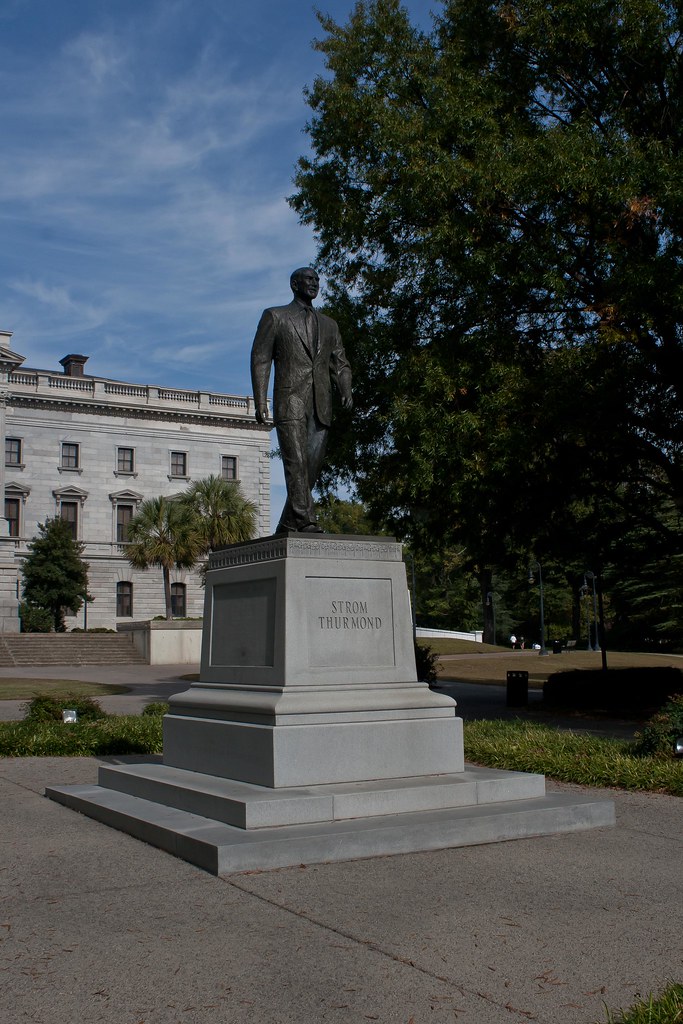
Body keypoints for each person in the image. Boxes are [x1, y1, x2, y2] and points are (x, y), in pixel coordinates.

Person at [250, 267, 353, 533]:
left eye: (317, 280)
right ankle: (306, 520)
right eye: (309, 279)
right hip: (290, 399)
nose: (315, 284)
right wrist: (261, 400)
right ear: (294, 284)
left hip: (321, 403)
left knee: (312, 465)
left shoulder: (330, 325)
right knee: (295, 461)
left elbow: (340, 363)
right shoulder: (276, 316)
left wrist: (345, 387)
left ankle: (288, 522)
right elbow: (261, 359)